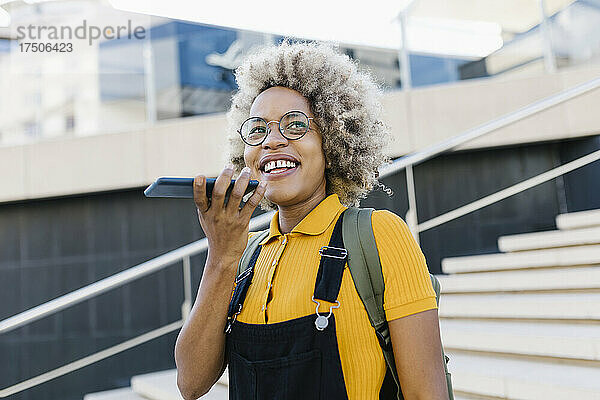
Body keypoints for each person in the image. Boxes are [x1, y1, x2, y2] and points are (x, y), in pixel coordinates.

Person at [174, 40, 449, 399]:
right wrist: (222, 257)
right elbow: (190, 383)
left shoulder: (379, 236)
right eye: (257, 129)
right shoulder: (244, 257)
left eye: (294, 125)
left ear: (333, 141)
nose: (271, 141)